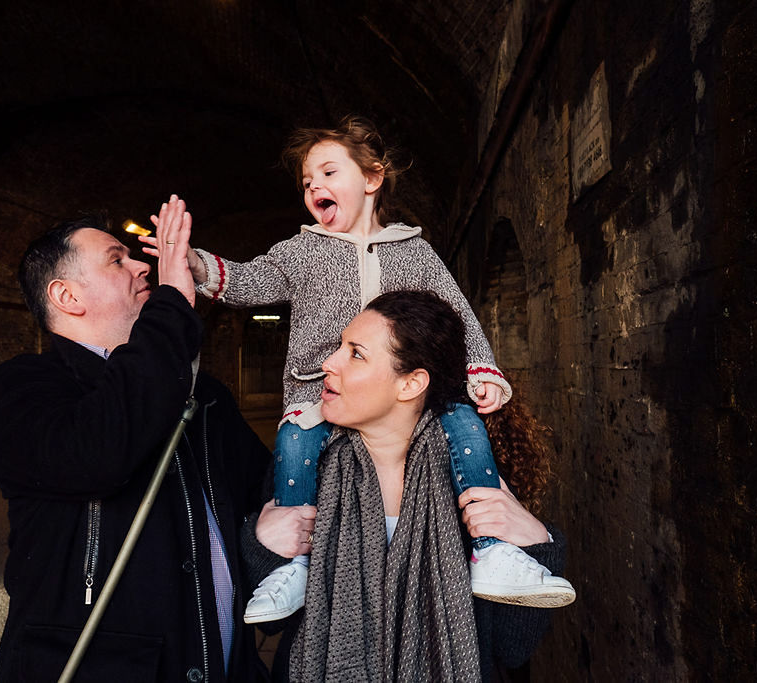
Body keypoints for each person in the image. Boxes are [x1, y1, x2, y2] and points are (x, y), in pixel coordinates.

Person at [140, 116, 570, 623]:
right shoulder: (300, 251)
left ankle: (495, 548)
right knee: (295, 447)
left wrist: (483, 370)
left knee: (465, 425)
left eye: (327, 173)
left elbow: (456, 314)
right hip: (318, 393)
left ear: (372, 179)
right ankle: (293, 568)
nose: (314, 187)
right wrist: (191, 262)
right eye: (306, 182)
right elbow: (250, 283)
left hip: (416, 397)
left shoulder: (416, 251)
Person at [0, 197, 271, 682]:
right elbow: (99, 452)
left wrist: (261, 542)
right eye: (117, 259)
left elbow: (261, 493)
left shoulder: (206, 395)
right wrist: (173, 303)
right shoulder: (25, 387)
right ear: (66, 297)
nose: (143, 266)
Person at [244, 290, 572, 682]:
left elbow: (513, 649)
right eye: (339, 347)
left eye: (356, 353)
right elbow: (270, 625)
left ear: (411, 383)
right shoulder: (304, 464)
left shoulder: (475, 473)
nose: (328, 363)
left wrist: (536, 544)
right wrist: (260, 542)